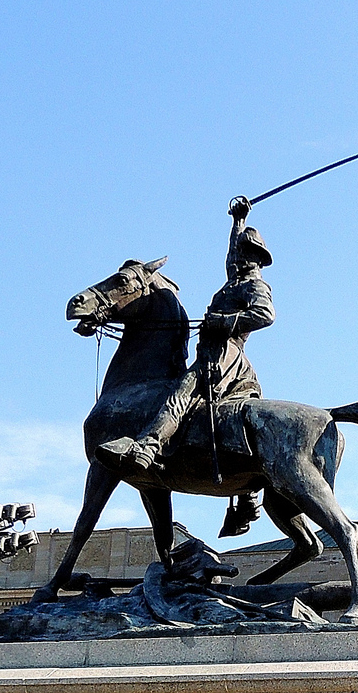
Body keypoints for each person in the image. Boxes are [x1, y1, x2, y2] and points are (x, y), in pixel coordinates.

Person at [97, 196, 274, 536]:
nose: (238, 257)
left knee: (181, 391)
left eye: (244, 253)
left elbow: (265, 315)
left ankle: (147, 447)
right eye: (238, 252)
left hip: (228, 356)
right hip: (214, 351)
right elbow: (229, 252)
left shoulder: (255, 285)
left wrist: (223, 321)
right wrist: (238, 220)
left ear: (256, 259)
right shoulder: (234, 280)